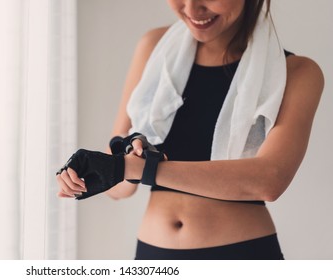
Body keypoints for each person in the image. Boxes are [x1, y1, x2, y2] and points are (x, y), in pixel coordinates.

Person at [56, 0, 324, 260]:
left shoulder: (296, 72)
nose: (192, 8)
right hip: (154, 258)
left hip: (242, 257)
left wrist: (139, 168)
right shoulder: (154, 48)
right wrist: (97, 169)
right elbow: (119, 189)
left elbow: (269, 180)